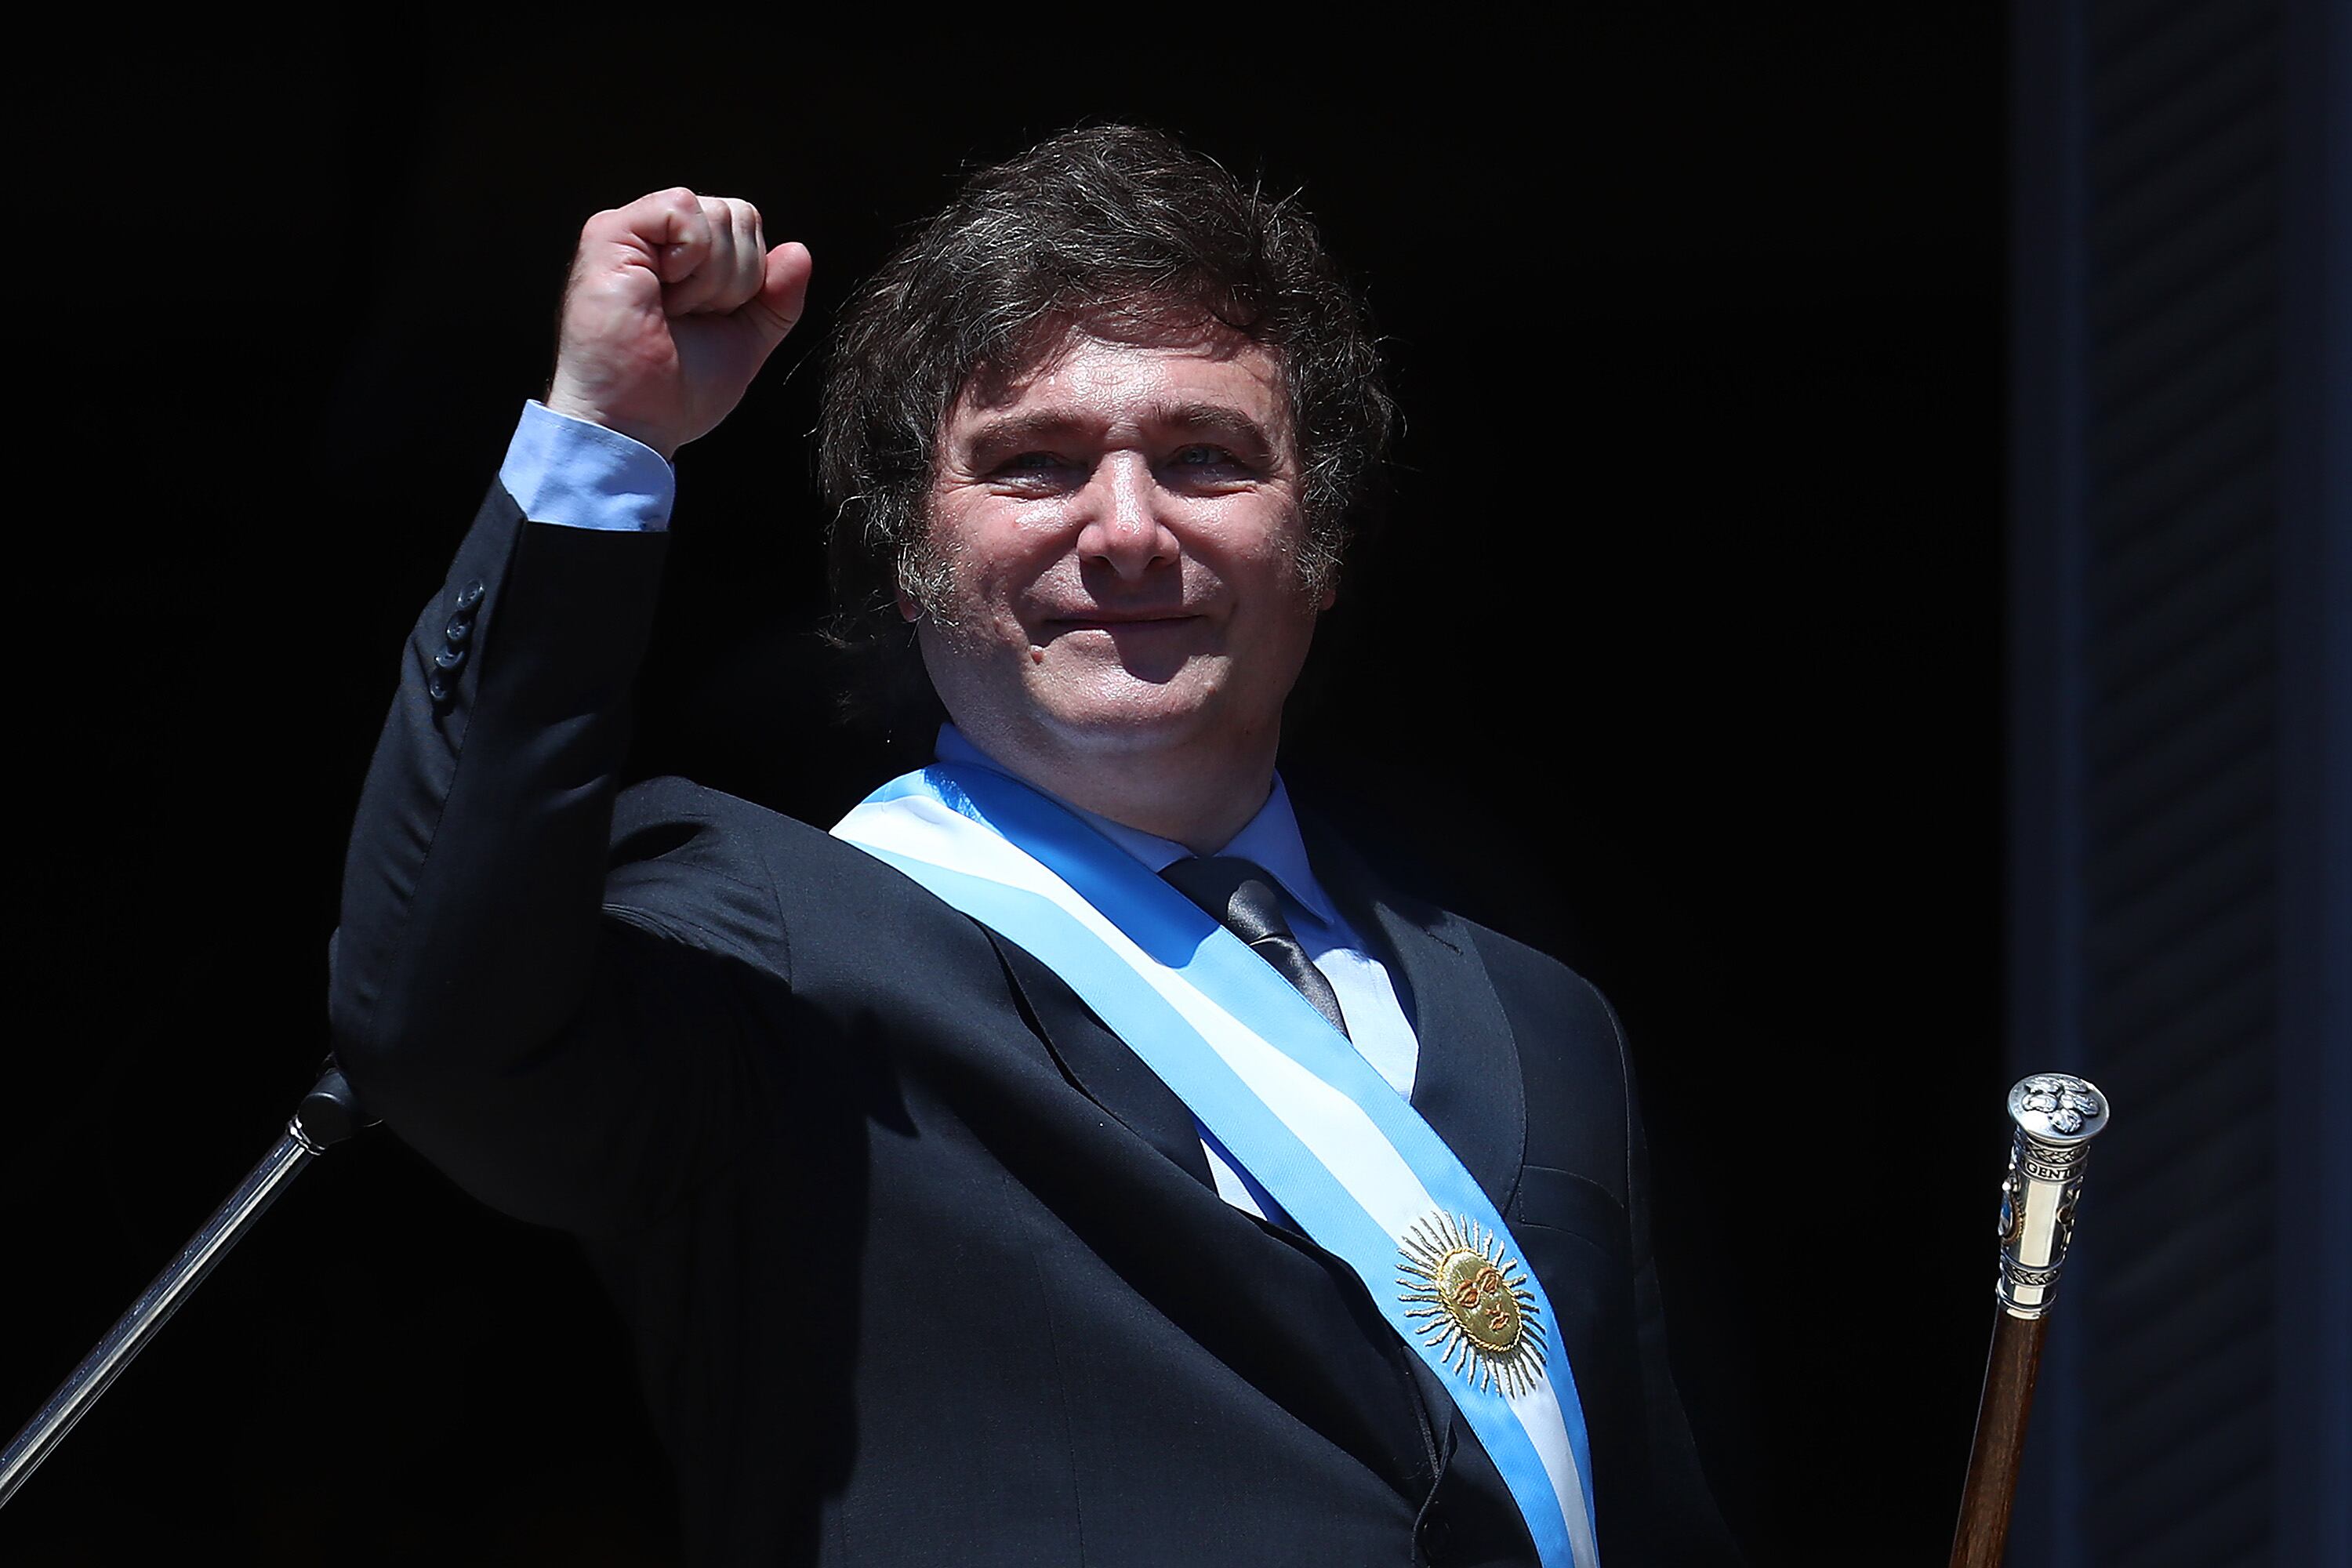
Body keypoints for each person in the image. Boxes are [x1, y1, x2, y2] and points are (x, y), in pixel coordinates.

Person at [330, 125, 1741, 1566]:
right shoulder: (774, 951)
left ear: (1319, 541)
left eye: (1206, 457)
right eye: (1032, 465)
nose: (1126, 530)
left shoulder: (1544, 1022)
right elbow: (439, 1018)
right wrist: (602, 442)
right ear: (911, 555)